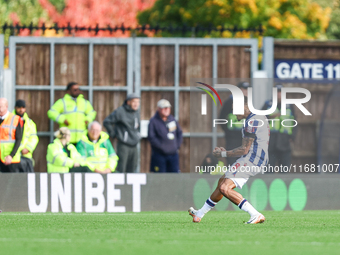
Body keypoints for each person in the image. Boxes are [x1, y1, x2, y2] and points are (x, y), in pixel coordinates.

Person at [189, 96, 269, 224]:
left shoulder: (252, 121)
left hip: (251, 160)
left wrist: (223, 153)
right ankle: (200, 213)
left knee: (225, 188)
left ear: (245, 106)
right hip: (253, 158)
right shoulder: (257, 117)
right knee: (221, 183)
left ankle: (255, 214)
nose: (233, 112)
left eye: (235, 109)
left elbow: (244, 149)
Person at [103, 93, 140, 173]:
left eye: (138, 102)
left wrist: (137, 136)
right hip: (124, 144)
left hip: (134, 144)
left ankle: (131, 185)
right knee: (121, 167)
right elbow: (107, 122)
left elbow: (137, 126)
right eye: (134, 102)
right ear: (128, 102)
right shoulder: (120, 111)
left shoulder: (136, 112)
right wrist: (114, 135)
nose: (136, 104)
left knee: (133, 168)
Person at [262, 84, 296, 167]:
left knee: (285, 169)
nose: (279, 95)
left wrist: (293, 137)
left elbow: (294, 122)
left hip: (285, 142)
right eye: (277, 92)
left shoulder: (289, 105)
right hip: (270, 143)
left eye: (281, 92)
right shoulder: (267, 105)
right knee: (269, 169)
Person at [218, 82, 249, 166]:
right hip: (232, 139)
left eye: (247, 90)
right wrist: (229, 132)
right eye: (243, 90)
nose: (245, 92)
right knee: (232, 163)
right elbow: (222, 118)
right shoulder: (229, 102)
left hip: (245, 138)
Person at [148, 99, 183, 173]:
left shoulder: (172, 119)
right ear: (159, 109)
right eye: (164, 108)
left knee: (174, 176)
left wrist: (176, 145)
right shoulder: (153, 121)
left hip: (173, 155)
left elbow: (179, 133)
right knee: (160, 177)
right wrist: (162, 147)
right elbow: (151, 137)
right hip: (159, 155)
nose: (167, 110)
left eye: (168, 108)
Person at [13, 100, 39, 173]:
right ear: (15, 108)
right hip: (12, 156)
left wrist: (28, 148)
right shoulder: (9, 120)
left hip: (25, 156)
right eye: (19, 107)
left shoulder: (30, 123)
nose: (21, 110)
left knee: (27, 179)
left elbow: (34, 138)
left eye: (23, 107)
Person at [0, 98, 23, 173]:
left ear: (6, 107)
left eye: (0, 106)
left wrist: (11, 155)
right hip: (0, 159)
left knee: (12, 183)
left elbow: (19, 139)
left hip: (12, 160)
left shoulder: (15, 119)